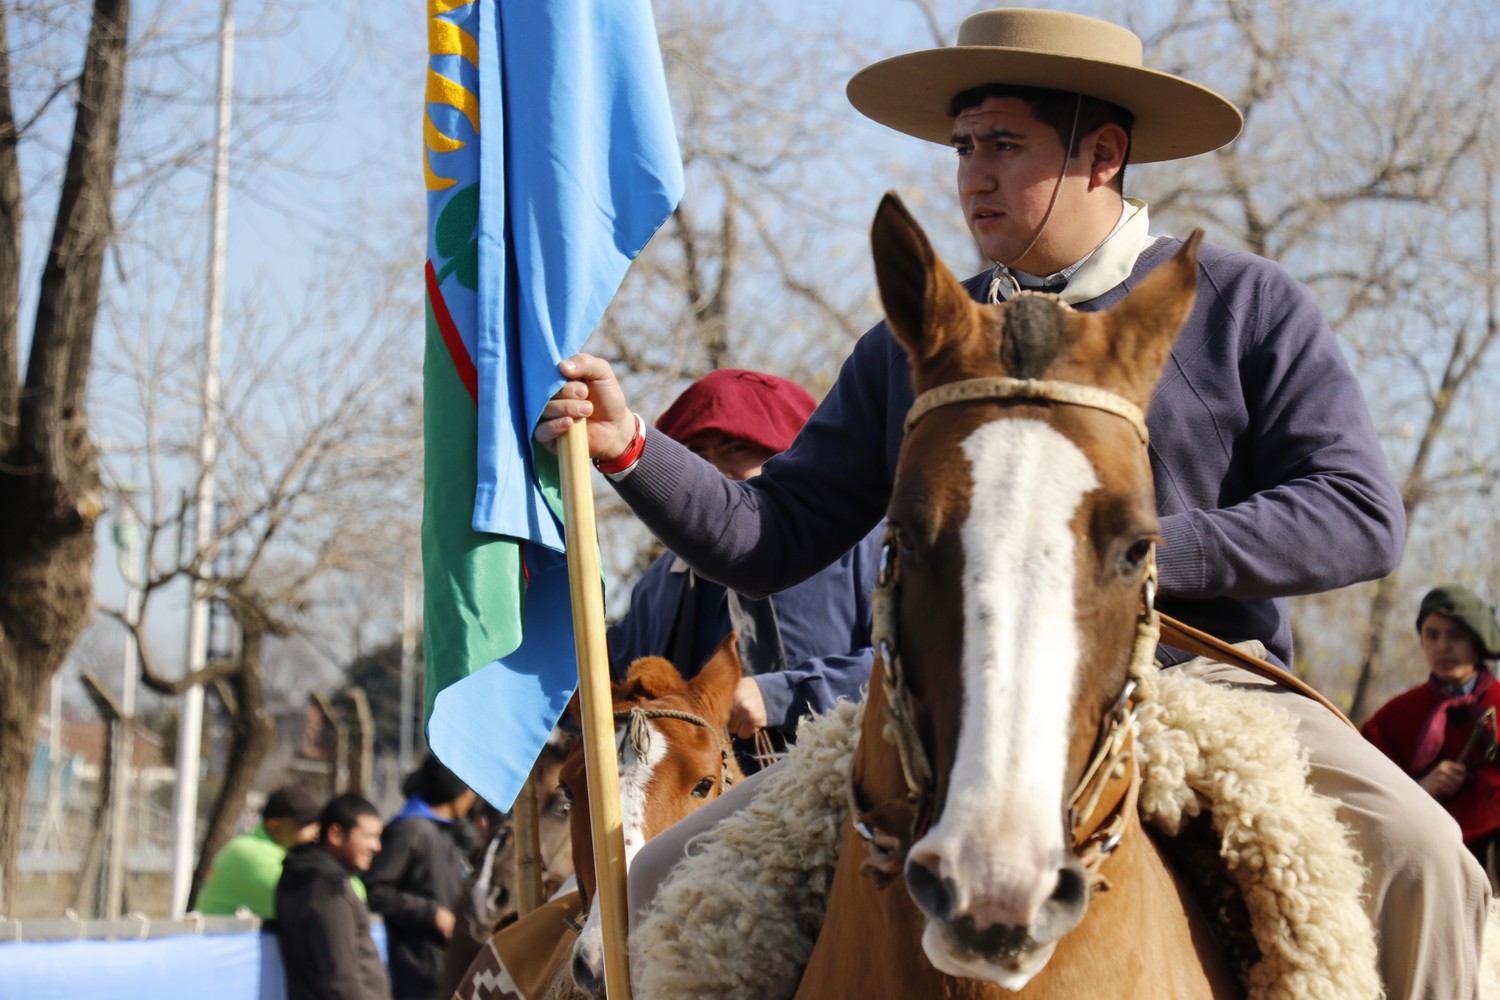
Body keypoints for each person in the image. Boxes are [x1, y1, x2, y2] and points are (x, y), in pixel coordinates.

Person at [536, 8, 1488, 997]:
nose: (972, 175)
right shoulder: (924, 339)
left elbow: (1359, 512)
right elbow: (770, 535)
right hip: (943, 702)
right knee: (649, 887)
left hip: (1204, 686)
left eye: (1002, 145)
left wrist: (1125, 558)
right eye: (962, 148)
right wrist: (632, 446)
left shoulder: (1245, 304)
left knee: (1427, 860)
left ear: (1103, 154)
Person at [606, 368, 881, 771]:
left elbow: (920, 666)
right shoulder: (659, 584)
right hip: (698, 821)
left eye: (737, 449)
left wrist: (781, 696)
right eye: (695, 455)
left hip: (846, 799)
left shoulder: (864, 545)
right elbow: (603, 693)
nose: (714, 471)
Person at [1363, 585, 1500, 889]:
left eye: (1455, 635)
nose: (1442, 647)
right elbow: (1366, 795)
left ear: (1478, 641)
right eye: (1432, 635)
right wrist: (1420, 789)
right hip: (1425, 866)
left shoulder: (1498, 702)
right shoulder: (1393, 718)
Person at [364, 752, 477, 1000]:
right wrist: (432, 913)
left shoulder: (447, 830)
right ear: (454, 791)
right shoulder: (410, 829)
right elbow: (375, 891)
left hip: (448, 963)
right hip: (419, 969)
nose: (473, 796)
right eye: (469, 788)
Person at [273, 793, 389, 1000]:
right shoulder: (327, 887)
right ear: (336, 834)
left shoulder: (310, 875)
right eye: (368, 836)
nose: (376, 847)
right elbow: (341, 978)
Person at [196, 783, 321, 918]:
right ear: (275, 827)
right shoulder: (250, 854)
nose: (316, 832)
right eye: (306, 825)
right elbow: (315, 901)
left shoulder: (260, 848)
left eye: (317, 823)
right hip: (221, 938)